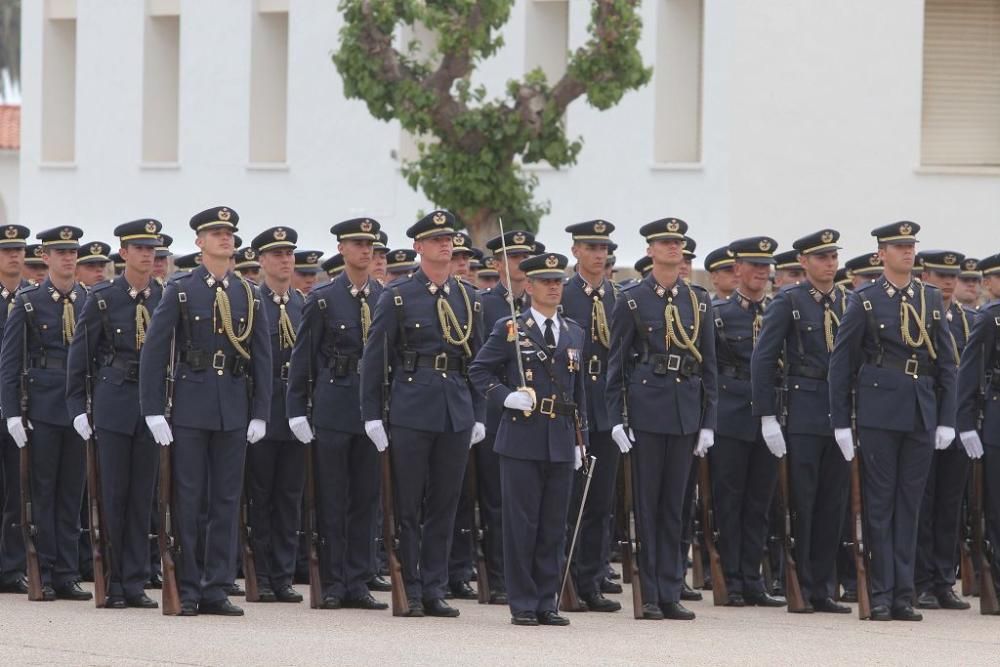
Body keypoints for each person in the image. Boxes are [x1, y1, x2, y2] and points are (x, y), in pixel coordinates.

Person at [139, 205, 272, 617]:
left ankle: (217, 586)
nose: (225, 238)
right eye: (215, 233)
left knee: (227, 500)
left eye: (229, 232)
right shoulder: (181, 290)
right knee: (190, 499)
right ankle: (190, 585)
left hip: (233, 404)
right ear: (199, 242)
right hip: (192, 406)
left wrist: (261, 411)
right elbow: (155, 351)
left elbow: (261, 356)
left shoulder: (247, 293)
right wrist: (153, 409)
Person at [828, 221, 957, 622]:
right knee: (880, 506)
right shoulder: (864, 301)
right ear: (881, 254)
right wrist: (841, 423)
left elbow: (947, 364)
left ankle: (904, 593)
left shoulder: (930, 298)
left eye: (911, 245)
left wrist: (946, 418)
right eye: (898, 246)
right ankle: (880, 592)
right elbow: (841, 364)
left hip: (920, 411)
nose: (907, 252)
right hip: (879, 412)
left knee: (910, 506)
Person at [360, 210, 485, 618]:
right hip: (412, 406)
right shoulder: (398, 296)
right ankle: (409, 586)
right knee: (409, 505)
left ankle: (434, 586)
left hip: (455, 410)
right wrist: (373, 415)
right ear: (418, 247)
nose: (445, 245)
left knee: (445, 504)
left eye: (449, 238)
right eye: (435, 240)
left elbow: (480, 362)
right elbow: (375, 357)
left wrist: (478, 412)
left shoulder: (467, 297)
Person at [606, 217, 717, 620]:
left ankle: (671, 589)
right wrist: (617, 418)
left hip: (686, 411)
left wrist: (708, 421)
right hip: (647, 411)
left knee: (677, 506)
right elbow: (615, 364)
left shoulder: (698, 300)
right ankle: (649, 591)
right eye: (666, 243)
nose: (675, 248)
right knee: (648, 507)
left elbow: (710, 367)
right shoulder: (633, 300)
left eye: (679, 243)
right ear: (651, 250)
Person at [469, 252, 586, 627]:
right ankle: (522, 601)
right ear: (529, 286)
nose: (554, 287)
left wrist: (580, 441)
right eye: (545, 281)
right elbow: (479, 370)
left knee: (554, 524)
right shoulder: (511, 328)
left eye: (558, 281)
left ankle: (546, 601)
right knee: (522, 523)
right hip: (522, 436)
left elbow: (577, 392)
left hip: (560, 437)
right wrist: (505, 396)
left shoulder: (574, 332)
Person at [287, 218, 386, 611]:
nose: (366, 250)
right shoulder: (324, 298)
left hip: (371, 410)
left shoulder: (385, 297)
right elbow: (303, 360)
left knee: (366, 499)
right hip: (333, 405)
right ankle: (332, 581)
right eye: (357, 244)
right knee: (332, 497)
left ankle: (358, 581)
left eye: (370, 244)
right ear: (342, 249)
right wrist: (297, 409)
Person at [66, 219, 165, 609]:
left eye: (151, 248)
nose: (147, 254)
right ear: (122, 253)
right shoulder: (104, 297)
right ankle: (110, 581)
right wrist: (78, 407)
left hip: (151, 408)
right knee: (112, 496)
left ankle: (135, 581)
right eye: (139, 248)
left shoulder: (164, 296)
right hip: (113, 404)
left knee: (143, 498)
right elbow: (81, 357)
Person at [750, 229, 851, 614]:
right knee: (803, 503)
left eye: (833, 257)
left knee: (833, 504)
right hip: (803, 412)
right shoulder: (788, 302)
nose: (830, 263)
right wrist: (767, 416)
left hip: (839, 414)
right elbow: (763, 359)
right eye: (822, 257)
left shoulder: (848, 301)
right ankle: (800, 582)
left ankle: (823, 586)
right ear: (804, 263)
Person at [0, 226, 90, 601]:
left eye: (72, 252)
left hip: (78, 408)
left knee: (73, 494)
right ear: (46, 257)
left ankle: (67, 572)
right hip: (42, 406)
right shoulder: (30, 301)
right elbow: (10, 362)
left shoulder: (90, 299)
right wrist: (12, 413)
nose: (68, 258)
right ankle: (45, 569)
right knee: (43, 492)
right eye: (60, 252)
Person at [450, 230, 536, 602]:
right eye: (512, 257)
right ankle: (481, 574)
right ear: (497, 263)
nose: (519, 264)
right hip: (495, 409)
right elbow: (476, 362)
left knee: (522, 500)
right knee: (485, 497)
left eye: (524, 257)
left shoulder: (543, 305)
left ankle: (516, 577)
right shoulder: (483, 304)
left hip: (533, 413)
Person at [709, 236, 786, 608]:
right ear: (736, 269)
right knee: (730, 500)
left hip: (768, 416)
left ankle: (754, 578)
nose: (760, 272)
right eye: (753, 265)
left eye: (765, 266)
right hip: (731, 414)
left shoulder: (778, 311)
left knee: (760, 501)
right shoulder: (720, 314)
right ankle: (733, 580)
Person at [238, 226, 306, 604]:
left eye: (289, 254)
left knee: (290, 496)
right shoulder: (251, 302)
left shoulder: (302, 304)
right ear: (261, 261)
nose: (285, 261)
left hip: (293, 411)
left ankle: (282, 575)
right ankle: (259, 574)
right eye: (277, 254)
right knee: (260, 496)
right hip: (261, 409)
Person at [559, 220, 621, 612]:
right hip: (572, 408)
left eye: (604, 248)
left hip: (608, 410)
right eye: (591, 247)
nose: (599, 254)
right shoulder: (562, 295)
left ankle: (592, 580)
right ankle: (561, 577)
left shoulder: (619, 297)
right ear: (576, 251)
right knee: (567, 501)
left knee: (601, 500)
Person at [912, 250, 973, 611]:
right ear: (925, 275)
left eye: (953, 275)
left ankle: (943, 580)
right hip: (923, 418)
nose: (948, 281)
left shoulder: (968, 320)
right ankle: (920, 580)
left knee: (950, 505)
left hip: (958, 423)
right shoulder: (917, 314)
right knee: (923, 502)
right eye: (940, 274)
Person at [956, 254, 1000, 609]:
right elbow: (968, 374)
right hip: (996, 419)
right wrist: (966, 425)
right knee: (997, 509)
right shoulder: (990, 318)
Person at [0, 225, 32, 595]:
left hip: (21, 407)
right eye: (7, 250)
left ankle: (11, 567)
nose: (14, 256)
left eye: (19, 250)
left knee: (17, 491)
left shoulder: (31, 298)